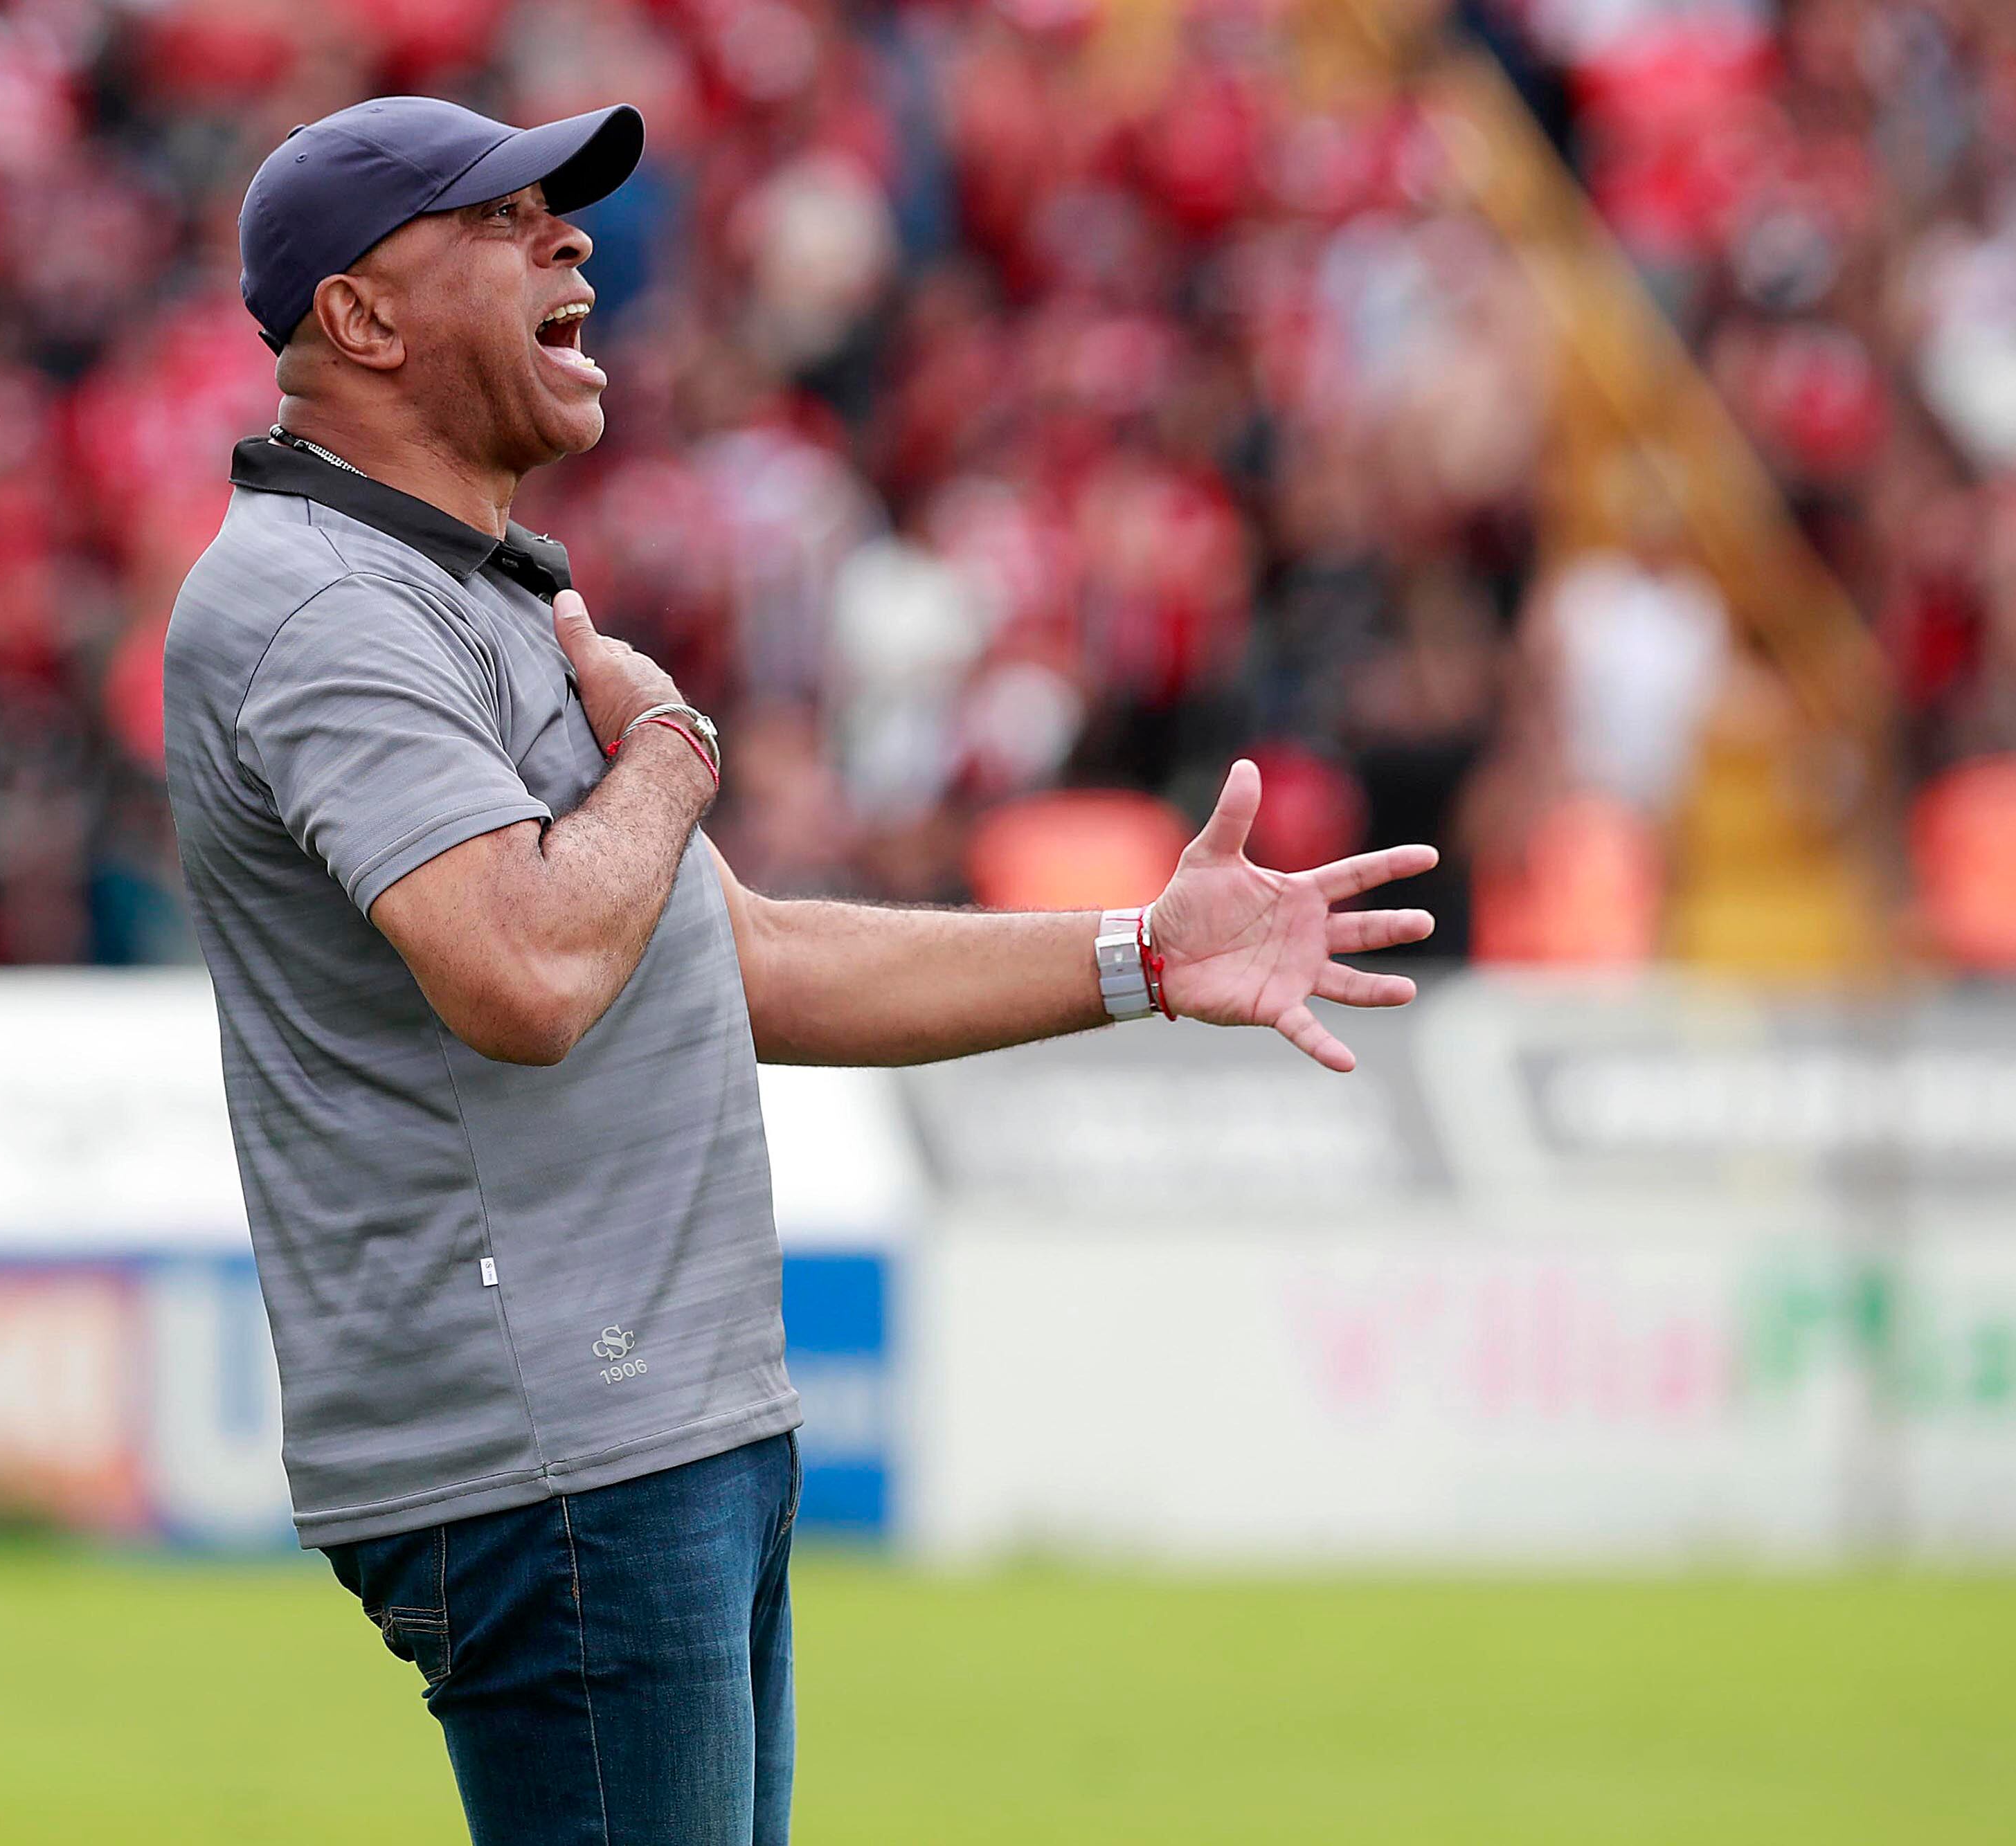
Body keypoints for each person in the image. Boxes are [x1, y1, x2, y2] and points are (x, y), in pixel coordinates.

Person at [161, 95, 1439, 1846]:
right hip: (560, 1441)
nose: (569, 239)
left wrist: (1139, 954)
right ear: (362, 317)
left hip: (645, 1427)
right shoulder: (326, 606)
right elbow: (527, 970)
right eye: (501, 220)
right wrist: (673, 747)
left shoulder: (450, 586)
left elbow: (731, 954)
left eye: (555, 213)